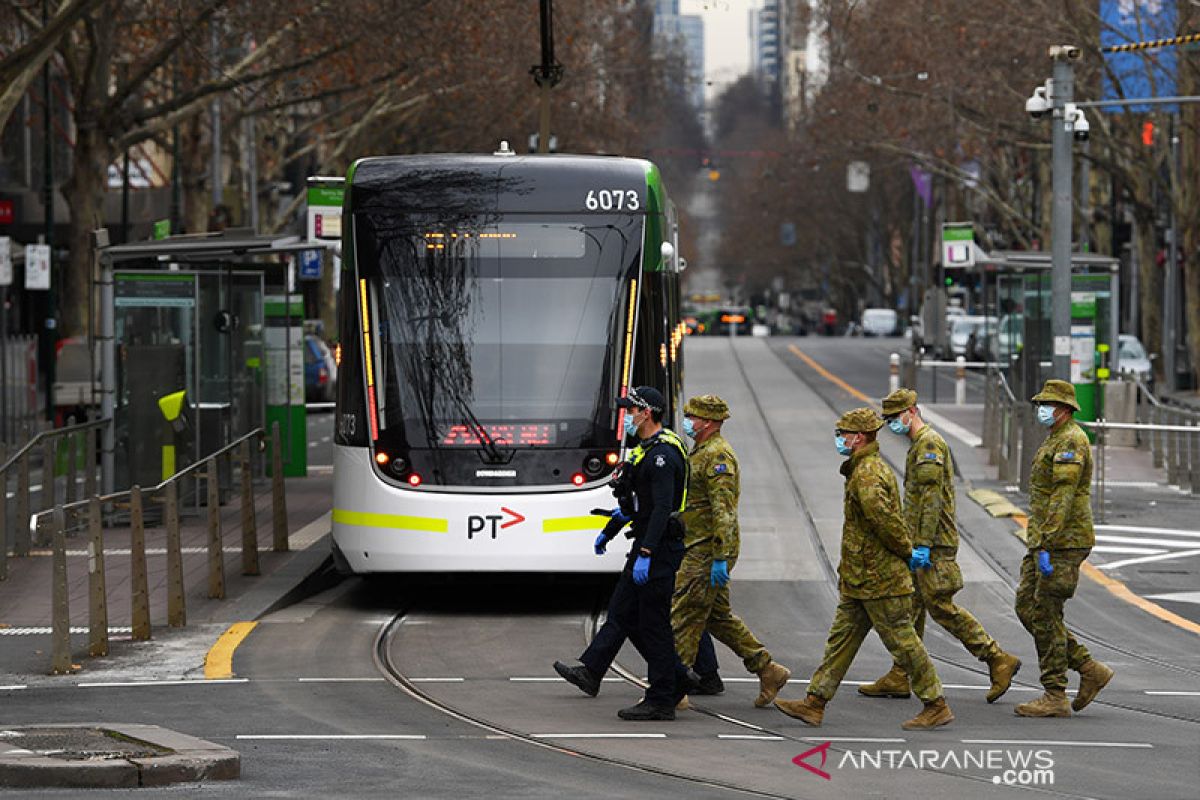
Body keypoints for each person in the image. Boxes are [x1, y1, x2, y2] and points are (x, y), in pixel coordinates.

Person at [774, 407, 953, 730]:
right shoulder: (862, 468)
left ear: (858, 438)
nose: (839, 439)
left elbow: (885, 522)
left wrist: (907, 550)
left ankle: (935, 703)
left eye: (843, 434)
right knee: (841, 640)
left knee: (903, 640)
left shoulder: (868, 473)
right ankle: (814, 702)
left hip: (879, 578)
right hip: (861, 578)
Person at [861, 388, 1021, 703]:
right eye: (889, 419)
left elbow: (931, 501)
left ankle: (996, 658)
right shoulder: (919, 445)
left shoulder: (928, 445)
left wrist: (921, 545)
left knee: (940, 606)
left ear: (912, 412)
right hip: (923, 542)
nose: (893, 424)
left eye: (895, 418)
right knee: (911, 608)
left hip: (933, 544)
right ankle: (900, 673)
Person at [552, 386, 693, 721]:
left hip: (657, 548)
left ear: (647, 413)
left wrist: (646, 551)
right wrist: (613, 526)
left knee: (652, 623)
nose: (627, 416)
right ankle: (668, 678)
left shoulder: (663, 455)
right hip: (646, 542)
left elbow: (661, 508)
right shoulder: (646, 450)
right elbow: (639, 502)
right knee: (623, 612)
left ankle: (662, 697)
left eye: (631, 410)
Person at [672, 394, 791, 708]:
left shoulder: (718, 457)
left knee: (683, 615)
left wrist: (720, 556)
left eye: (692, 417)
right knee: (717, 618)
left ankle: (672, 686)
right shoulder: (702, 451)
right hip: (700, 546)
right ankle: (767, 669)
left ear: (708, 422)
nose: (688, 422)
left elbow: (724, 510)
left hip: (706, 549)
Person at [1014, 380, 1113, 717]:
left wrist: (1046, 541)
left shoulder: (1071, 440)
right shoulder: (1056, 437)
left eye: (1048, 404)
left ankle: (1055, 693)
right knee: (1027, 608)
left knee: (1044, 612)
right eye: (1041, 402)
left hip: (1062, 542)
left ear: (1065, 408)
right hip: (1045, 539)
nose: (1042, 408)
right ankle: (1088, 668)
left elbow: (1063, 497)